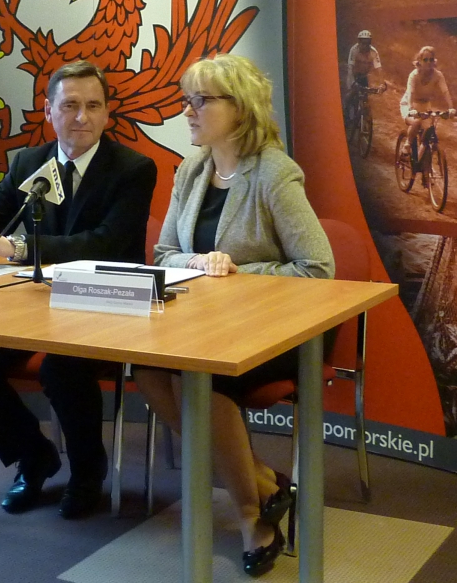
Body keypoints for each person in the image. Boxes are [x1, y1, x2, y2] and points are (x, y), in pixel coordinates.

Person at [133, 54, 334, 578]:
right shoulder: (192, 170)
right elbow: (163, 254)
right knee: (148, 370)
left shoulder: (274, 173)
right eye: (187, 100)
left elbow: (318, 269)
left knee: (204, 380)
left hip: (278, 332)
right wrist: (199, 261)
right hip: (206, 327)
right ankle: (264, 481)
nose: (187, 112)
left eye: (199, 101)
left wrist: (240, 270)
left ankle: (251, 516)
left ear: (240, 108)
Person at [0, 60, 157, 519]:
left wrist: (17, 247)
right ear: (49, 111)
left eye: (93, 106)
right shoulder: (29, 162)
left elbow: (105, 242)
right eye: (70, 105)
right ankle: (33, 455)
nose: (82, 117)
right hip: (36, 309)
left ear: (107, 112)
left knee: (62, 367)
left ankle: (87, 472)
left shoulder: (133, 169)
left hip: (106, 305)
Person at [399, 46, 456, 168]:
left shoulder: (438, 75)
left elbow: (445, 91)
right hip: (409, 104)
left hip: (425, 105)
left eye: (431, 59)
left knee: (428, 132)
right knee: (416, 123)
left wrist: (451, 108)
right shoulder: (414, 75)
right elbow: (411, 93)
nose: (429, 62)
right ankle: (406, 146)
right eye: (425, 60)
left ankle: (421, 167)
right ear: (420, 61)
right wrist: (411, 109)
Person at [344, 30, 385, 124]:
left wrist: (382, 84)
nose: (365, 46)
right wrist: (352, 82)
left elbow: (379, 69)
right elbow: (350, 68)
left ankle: (364, 119)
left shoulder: (373, 52)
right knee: (350, 96)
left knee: (365, 98)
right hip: (353, 75)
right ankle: (346, 117)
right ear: (359, 42)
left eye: (367, 43)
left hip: (363, 76)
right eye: (363, 43)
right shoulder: (354, 50)